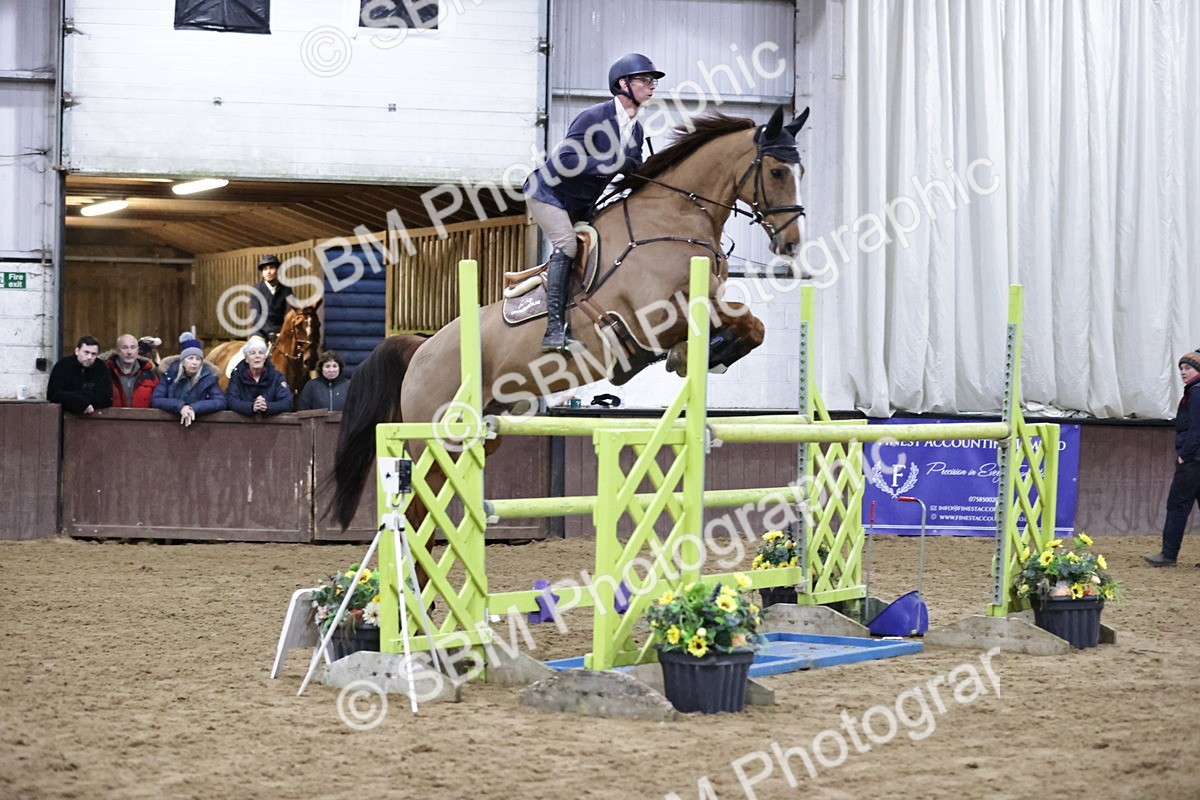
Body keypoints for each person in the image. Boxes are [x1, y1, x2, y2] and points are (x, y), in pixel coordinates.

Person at [523, 53, 664, 352]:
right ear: (623, 84)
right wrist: (615, 162)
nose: (652, 86)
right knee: (567, 246)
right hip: (548, 194)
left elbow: (633, 172)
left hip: (582, 203)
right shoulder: (594, 117)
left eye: (653, 81)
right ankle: (553, 331)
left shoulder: (636, 129)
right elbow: (565, 160)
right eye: (645, 80)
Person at [1145, 349, 1200, 567]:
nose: (1183, 372)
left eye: (1188, 368)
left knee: (1177, 505)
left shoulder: (1196, 392)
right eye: (1181, 368)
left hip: (1193, 461)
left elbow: (1197, 429)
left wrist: (1184, 455)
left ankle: (1168, 555)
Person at [151, 333, 226, 426]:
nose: (194, 362)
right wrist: (180, 406)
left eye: (198, 359)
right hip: (170, 425)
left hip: (200, 425)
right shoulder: (170, 375)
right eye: (190, 358)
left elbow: (220, 401)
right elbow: (156, 399)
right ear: (183, 362)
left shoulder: (208, 377)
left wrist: (193, 408)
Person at [227, 336, 292, 417]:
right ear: (247, 359)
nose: (257, 356)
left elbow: (287, 402)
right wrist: (251, 407)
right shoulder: (237, 376)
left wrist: (267, 406)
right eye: (253, 353)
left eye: (261, 353)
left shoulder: (277, 377)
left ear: (264, 358)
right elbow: (231, 400)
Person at [47, 335, 113, 415]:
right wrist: (79, 401)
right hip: (63, 417)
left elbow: (106, 398)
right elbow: (53, 394)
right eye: (86, 352)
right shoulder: (63, 366)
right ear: (77, 351)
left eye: (93, 354)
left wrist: (83, 398)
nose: (89, 357)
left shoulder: (101, 368)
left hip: (94, 417)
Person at [105, 333, 159, 408]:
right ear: (117, 351)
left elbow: (157, 401)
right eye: (125, 348)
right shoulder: (106, 373)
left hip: (141, 415)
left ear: (137, 350)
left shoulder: (150, 375)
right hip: (112, 415)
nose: (129, 352)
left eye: (133, 347)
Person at [249, 254, 294, 341]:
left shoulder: (286, 290)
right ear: (262, 273)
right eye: (265, 269)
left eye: (271, 268)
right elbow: (255, 315)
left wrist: (285, 330)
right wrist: (269, 331)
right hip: (260, 332)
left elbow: (290, 312)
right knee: (257, 348)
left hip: (280, 331)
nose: (268, 272)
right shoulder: (256, 289)